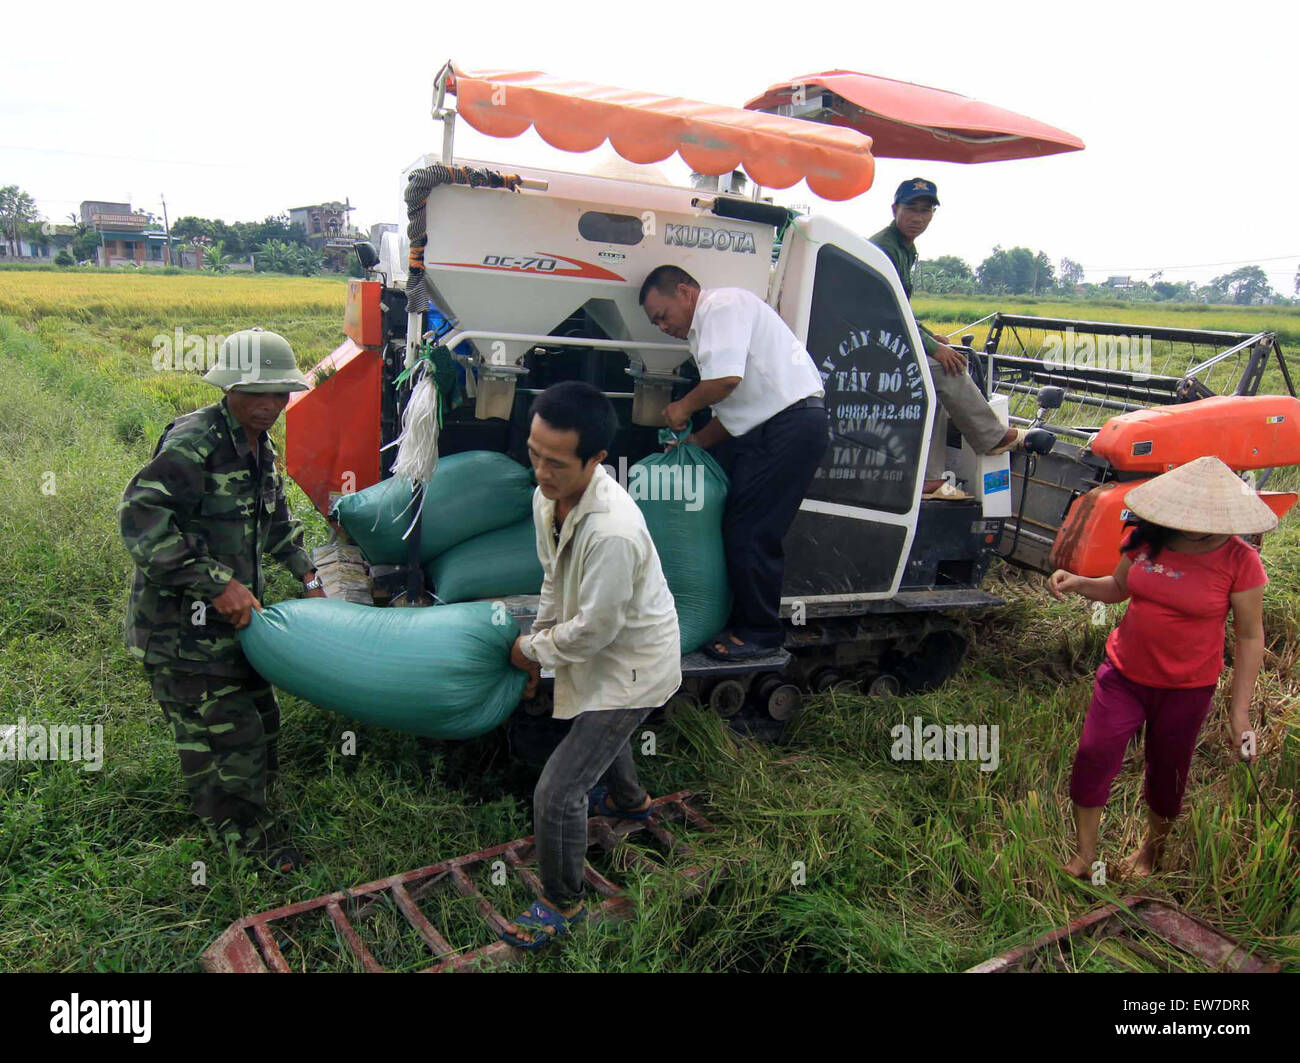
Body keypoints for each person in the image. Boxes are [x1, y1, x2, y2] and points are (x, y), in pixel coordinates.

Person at [119, 328, 324, 873]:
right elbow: (141, 522)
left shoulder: (260, 448)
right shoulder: (194, 444)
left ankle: (253, 808)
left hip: (237, 629)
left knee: (263, 724)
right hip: (180, 635)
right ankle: (244, 847)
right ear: (227, 388)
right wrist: (217, 583)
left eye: (279, 394)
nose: (269, 405)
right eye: (256, 393)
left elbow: (277, 524)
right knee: (226, 741)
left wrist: (310, 576)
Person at [503, 381, 682, 949]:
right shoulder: (549, 498)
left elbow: (598, 630)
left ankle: (563, 902)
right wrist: (540, 635)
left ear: (597, 459)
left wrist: (532, 651)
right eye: (533, 452)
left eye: (555, 461)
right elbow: (555, 580)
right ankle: (630, 802)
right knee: (597, 726)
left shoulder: (613, 531)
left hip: (635, 663)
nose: (540, 470)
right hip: (603, 651)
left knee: (558, 792)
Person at [1049, 456, 1272, 878]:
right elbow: (1118, 587)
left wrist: (1239, 712)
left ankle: (1152, 852)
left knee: (1168, 771)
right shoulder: (1145, 538)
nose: (1191, 522)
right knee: (1094, 754)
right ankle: (1085, 854)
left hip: (1187, 687)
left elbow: (1249, 636)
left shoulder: (1240, 562)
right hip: (1124, 674)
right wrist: (1079, 582)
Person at [639, 265, 829, 660]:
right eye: (654, 322)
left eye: (662, 315)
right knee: (736, 522)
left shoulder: (721, 306)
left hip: (790, 426)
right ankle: (736, 616)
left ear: (684, 292)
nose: (661, 326)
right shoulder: (710, 328)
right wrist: (695, 442)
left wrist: (681, 407)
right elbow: (735, 412)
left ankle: (761, 632)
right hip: (774, 426)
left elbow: (726, 382)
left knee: (753, 529)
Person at [869, 178, 1052, 499]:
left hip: (883, 332)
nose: (919, 217)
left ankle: (928, 479)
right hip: (870, 337)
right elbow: (885, 311)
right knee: (945, 368)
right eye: (912, 208)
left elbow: (899, 307)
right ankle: (992, 435)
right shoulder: (885, 248)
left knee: (933, 388)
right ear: (894, 208)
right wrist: (933, 347)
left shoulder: (905, 248)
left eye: (926, 211)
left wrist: (927, 336)